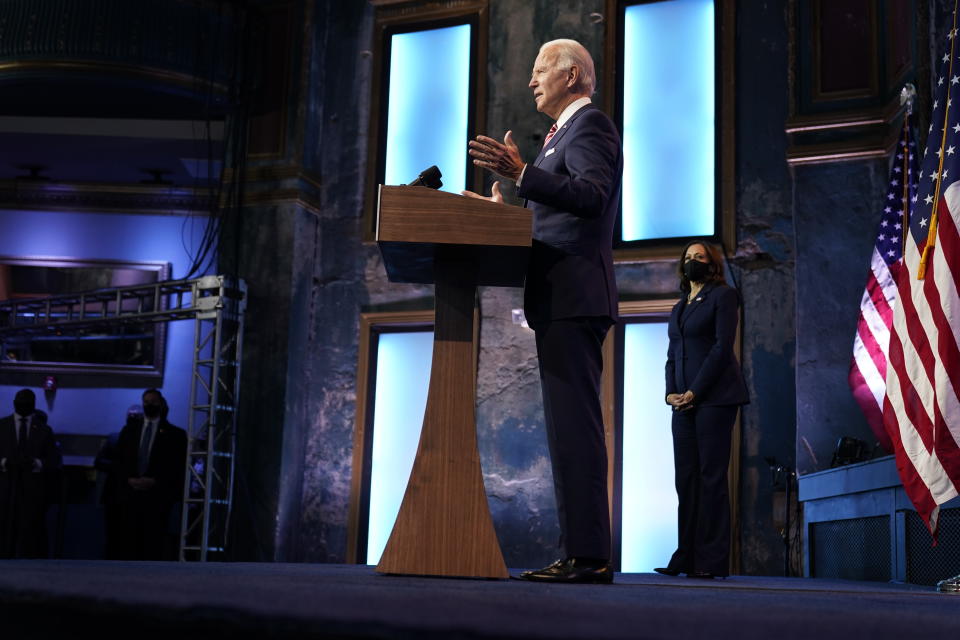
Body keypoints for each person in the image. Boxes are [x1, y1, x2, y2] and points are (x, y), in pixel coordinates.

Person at [463, 38, 622, 583]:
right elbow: (559, 210)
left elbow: (592, 195)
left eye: (540, 70)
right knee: (564, 431)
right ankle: (580, 551)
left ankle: (589, 557)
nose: (531, 80)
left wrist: (524, 174)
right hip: (558, 297)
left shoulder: (590, 126)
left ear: (573, 76)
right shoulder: (560, 135)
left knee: (575, 430)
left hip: (575, 297)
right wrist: (507, 217)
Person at [656, 240, 749, 579]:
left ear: (712, 265)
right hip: (681, 404)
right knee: (687, 481)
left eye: (700, 257)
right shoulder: (680, 307)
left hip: (715, 399)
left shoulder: (723, 296)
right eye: (688, 257)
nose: (693, 261)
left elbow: (723, 348)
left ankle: (710, 562)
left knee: (711, 479)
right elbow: (672, 355)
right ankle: (686, 557)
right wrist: (671, 395)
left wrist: (695, 391)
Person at [115, 389, 186, 560]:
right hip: (130, 495)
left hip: (158, 497)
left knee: (154, 541)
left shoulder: (175, 435)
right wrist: (129, 479)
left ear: (161, 404)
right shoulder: (129, 431)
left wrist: (155, 481)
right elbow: (119, 460)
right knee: (129, 541)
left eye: (153, 402)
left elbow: (176, 466)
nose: (149, 406)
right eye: (146, 402)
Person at [0, 389, 61, 558]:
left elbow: (53, 460)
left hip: (32, 491)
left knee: (30, 531)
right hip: (5, 488)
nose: (23, 405)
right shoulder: (2, 426)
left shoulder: (44, 430)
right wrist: (5, 462)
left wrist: (36, 463)